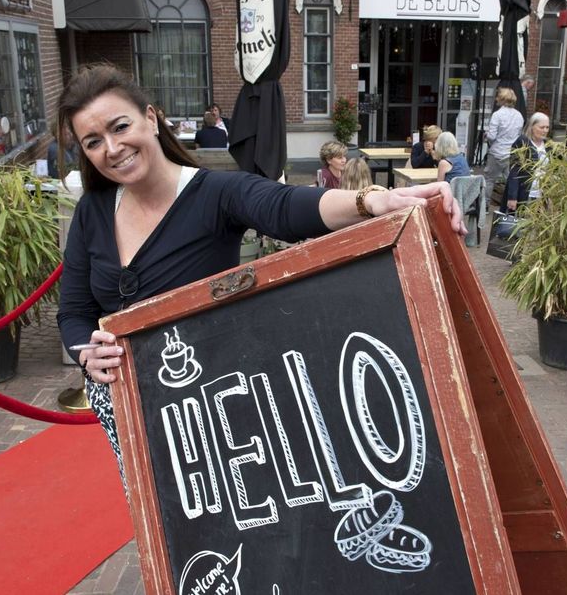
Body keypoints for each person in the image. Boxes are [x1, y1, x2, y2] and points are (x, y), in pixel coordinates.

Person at [55, 65, 467, 472]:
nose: (111, 148)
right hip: (127, 409)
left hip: (211, 412)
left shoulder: (215, 193)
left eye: (120, 126)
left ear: (150, 117)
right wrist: (85, 355)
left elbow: (285, 206)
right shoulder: (93, 210)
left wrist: (373, 201)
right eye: (93, 141)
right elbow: (74, 313)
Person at [501, 112, 551, 213]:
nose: (545, 130)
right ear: (532, 127)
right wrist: (512, 197)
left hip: (541, 195)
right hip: (524, 193)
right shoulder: (522, 142)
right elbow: (514, 171)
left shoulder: (549, 145)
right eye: (542, 127)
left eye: (547, 127)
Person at [483, 87, 524, 203]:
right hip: (511, 153)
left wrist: (486, 136)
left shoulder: (497, 115)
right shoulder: (519, 115)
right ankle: (511, 204)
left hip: (496, 152)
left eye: (498, 96)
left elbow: (492, 136)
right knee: (511, 180)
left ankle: (485, 205)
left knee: (489, 179)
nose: (496, 99)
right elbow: (519, 135)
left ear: (501, 99)